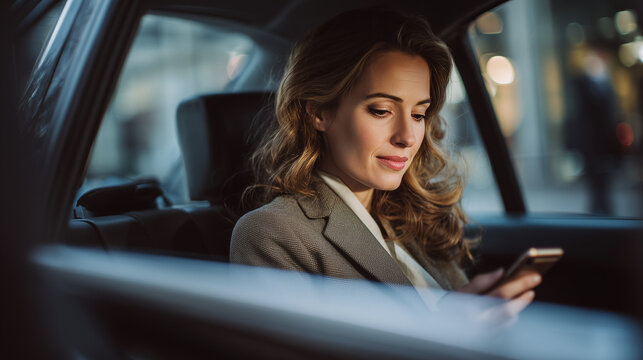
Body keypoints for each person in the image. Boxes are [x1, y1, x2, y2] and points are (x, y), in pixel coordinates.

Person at [230, 7, 540, 311]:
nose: (407, 136)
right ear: (318, 112)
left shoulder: (412, 220)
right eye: (381, 110)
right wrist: (449, 330)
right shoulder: (271, 233)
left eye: (419, 114)